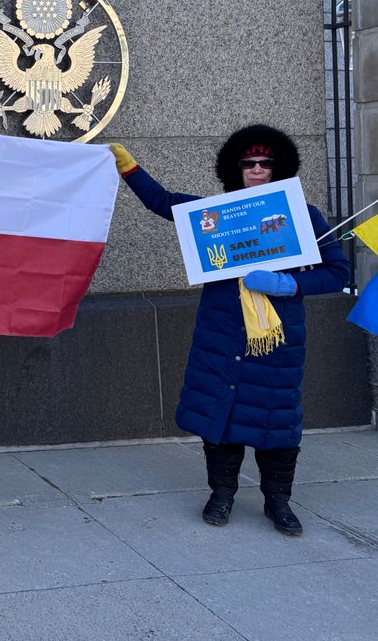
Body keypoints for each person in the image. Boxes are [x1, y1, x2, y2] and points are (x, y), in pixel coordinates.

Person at [110, 126, 349, 536]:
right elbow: (164, 203)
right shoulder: (217, 215)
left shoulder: (303, 215)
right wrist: (129, 169)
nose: (257, 169)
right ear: (235, 167)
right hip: (221, 335)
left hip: (277, 340)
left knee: (276, 423)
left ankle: (278, 502)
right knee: (220, 419)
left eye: (265, 163)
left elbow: (337, 273)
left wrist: (289, 285)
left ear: (279, 169)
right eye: (248, 163)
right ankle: (222, 494)